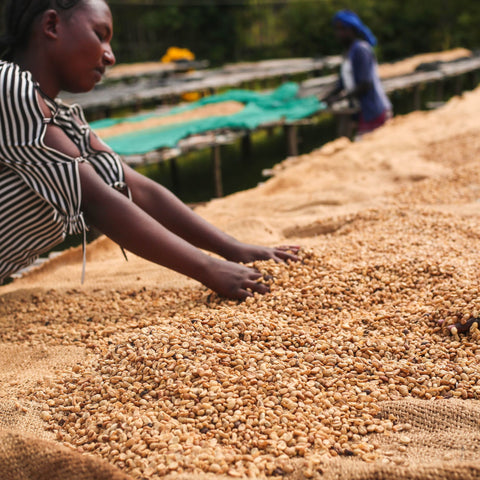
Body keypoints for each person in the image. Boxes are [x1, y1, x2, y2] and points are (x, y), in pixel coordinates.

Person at [0, 0, 299, 300]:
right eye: (100, 35)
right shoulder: (8, 86)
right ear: (52, 25)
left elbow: (136, 189)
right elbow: (96, 200)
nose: (110, 55)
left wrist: (232, 249)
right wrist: (208, 269)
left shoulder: (65, 120)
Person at [325, 10, 392, 138]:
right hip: (362, 110)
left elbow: (365, 84)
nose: (338, 33)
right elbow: (342, 83)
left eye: (342, 29)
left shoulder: (361, 50)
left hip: (374, 110)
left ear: (352, 30)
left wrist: (341, 97)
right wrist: (327, 96)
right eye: (337, 29)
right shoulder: (348, 53)